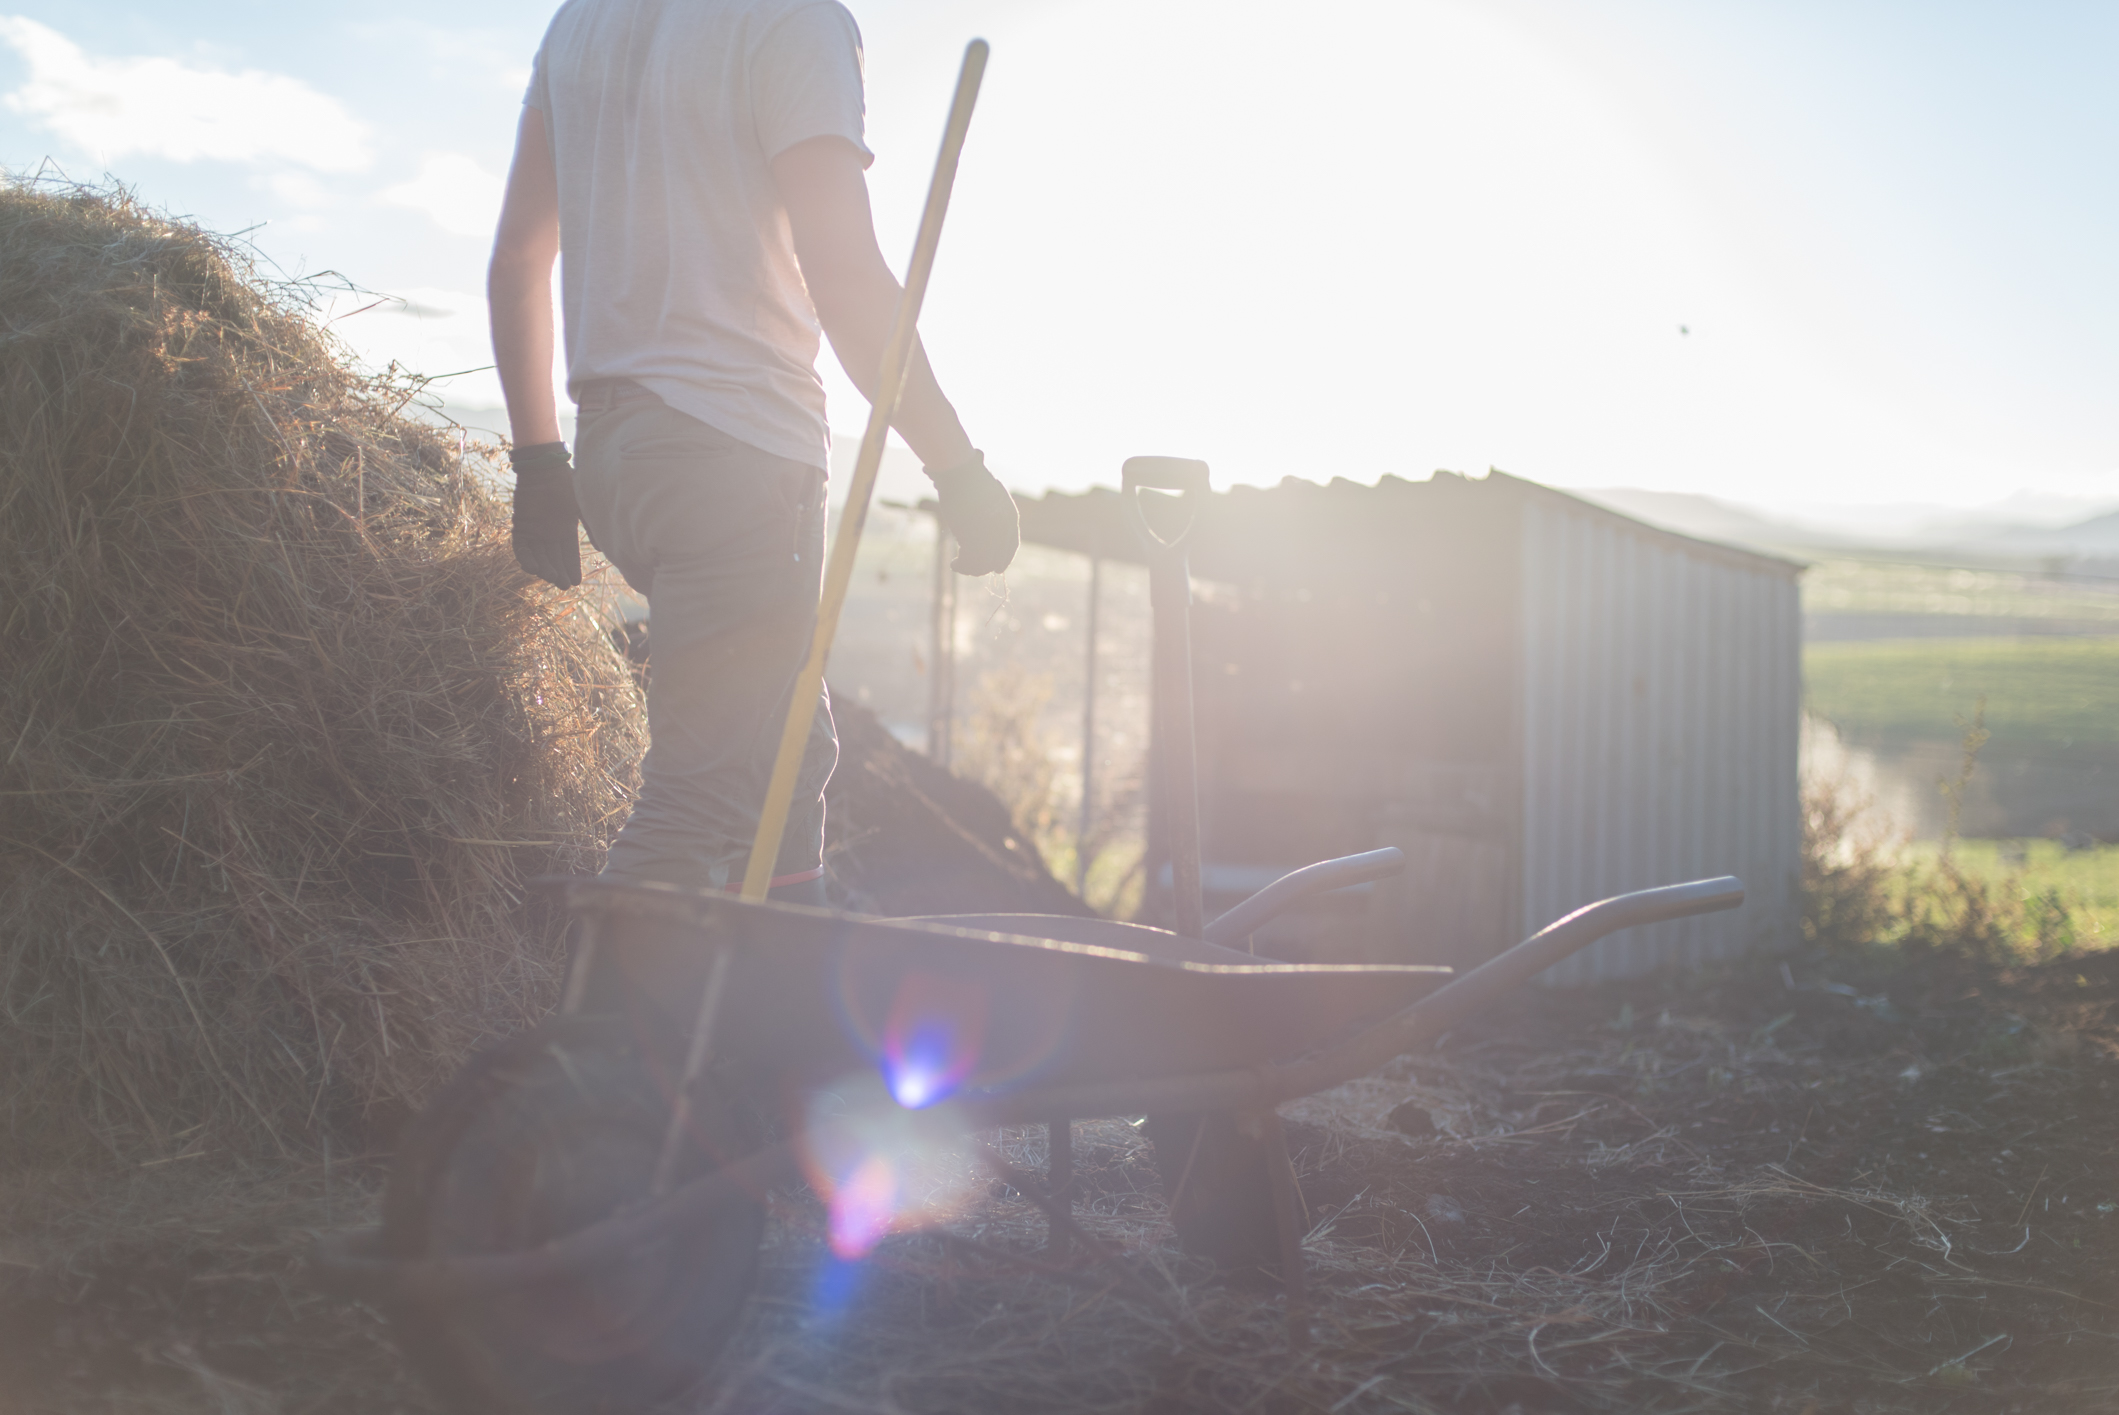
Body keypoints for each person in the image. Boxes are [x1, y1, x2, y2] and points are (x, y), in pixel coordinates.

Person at [488, 0, 1019, 903]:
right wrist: (954, 464)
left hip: (616, 453)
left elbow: (516, 259)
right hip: (733, 459)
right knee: (698, 797)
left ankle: (773, 1000)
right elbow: (846, 281)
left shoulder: (582, 21)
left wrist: (540, 459)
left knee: (785, 753)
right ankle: (602, 1033)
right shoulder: (791, 20)